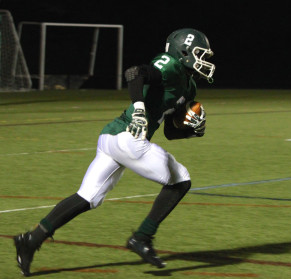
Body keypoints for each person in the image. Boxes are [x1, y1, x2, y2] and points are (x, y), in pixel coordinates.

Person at [13, 28, 215, 276]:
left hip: (112, 138)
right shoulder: (169, 65)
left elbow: (170, 132)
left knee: (88, 197)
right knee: (180, 179)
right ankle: (142, 237)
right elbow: (134, 74)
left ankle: (30, 240)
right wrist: (139, 107)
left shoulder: (189, 86)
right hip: (128, 137)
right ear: (182, 51)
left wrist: (191, 130)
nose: (204, 60)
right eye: (199, 53)